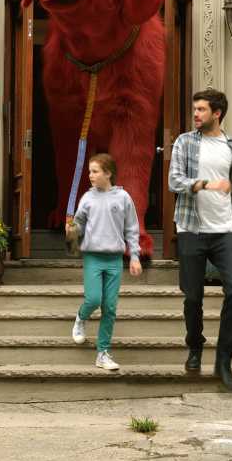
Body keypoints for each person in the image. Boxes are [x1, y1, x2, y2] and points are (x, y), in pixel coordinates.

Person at [168, 88, 232, 391]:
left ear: (217, 113)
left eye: (201, 110)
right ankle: (195, 346)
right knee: (193, 296)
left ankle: (223, 360)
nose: (195, 114)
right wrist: (207, 184)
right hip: (191, 229)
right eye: (194, 109)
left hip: (224, 229)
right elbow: (174, 180)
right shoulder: (184, 142)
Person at [66, 153, 143, 370]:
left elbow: (131, 229)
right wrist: (73, 229)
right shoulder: (87, 198)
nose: (90, 175)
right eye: (90, 171)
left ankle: (103, 353)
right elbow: (79, 223)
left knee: (109, 307)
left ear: (108, 173)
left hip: (114, 260)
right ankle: (81, 318)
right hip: (93, 257)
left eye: (95, 171)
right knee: (93, 299)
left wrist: (134, 256)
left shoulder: (123, 198)